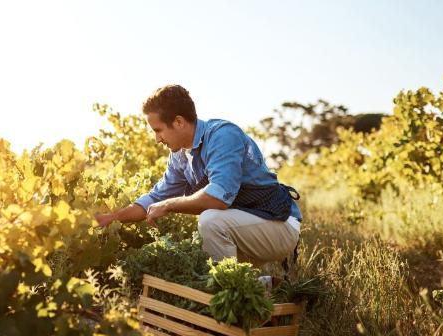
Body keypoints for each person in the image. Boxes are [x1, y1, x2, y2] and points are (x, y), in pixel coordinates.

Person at [94, 85, 302, 269]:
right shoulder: (179, 156)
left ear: (178, 121)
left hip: (279, 224)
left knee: (210, 221)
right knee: (201, 255)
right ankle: (260, 289)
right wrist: (112, 218)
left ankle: (232, 295)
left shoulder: (222, 136)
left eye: (158, 130)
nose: (157, 139)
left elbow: (218, 198)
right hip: (245, 226)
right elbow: (154, 199)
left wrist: (168, 205)